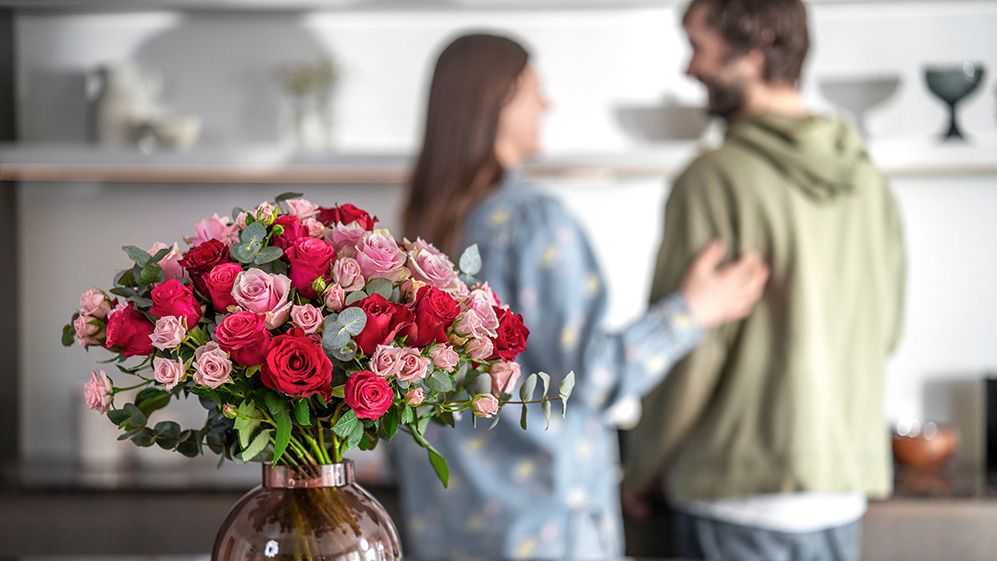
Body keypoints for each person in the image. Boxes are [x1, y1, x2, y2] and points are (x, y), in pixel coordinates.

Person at [390, 33, 768, 560]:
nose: (546, 104)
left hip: (446, 530)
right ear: (494, 103)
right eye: (532, 91)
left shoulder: (417, 240)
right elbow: (588, 377)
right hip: (547, 530)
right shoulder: (534, 223)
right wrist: (690, 314)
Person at [622, 1, 907, 560]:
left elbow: (688, 353)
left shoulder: (711, 179)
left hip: (734, 497)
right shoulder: (867, 180)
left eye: (698, 49)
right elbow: (888, 330)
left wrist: (643, 466)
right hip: (841, 487)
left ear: (755, 51)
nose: (689, 70)